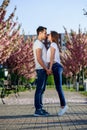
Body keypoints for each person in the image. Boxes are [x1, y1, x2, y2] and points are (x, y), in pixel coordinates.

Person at [47, 31, 68, 116]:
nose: (48, 35)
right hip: (56, 66)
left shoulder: (53, 44)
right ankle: (63, 106)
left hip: (56, 66)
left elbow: (52, 57)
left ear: (52, 36)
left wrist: (50, 68)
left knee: (59, 88)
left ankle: (64, 106)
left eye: (49, 34)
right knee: (58, 88)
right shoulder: (53, 45)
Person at [33, 26, 50, 116]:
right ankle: (38, 110)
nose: (46, 35)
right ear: (40, 33)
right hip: (41, 69)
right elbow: (39, 58)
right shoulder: (38, 44)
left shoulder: (40, 43)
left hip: (43, 69)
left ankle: (40, 108)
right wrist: (46, 68)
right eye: (45, 33)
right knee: (39, 90)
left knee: (42, 90)